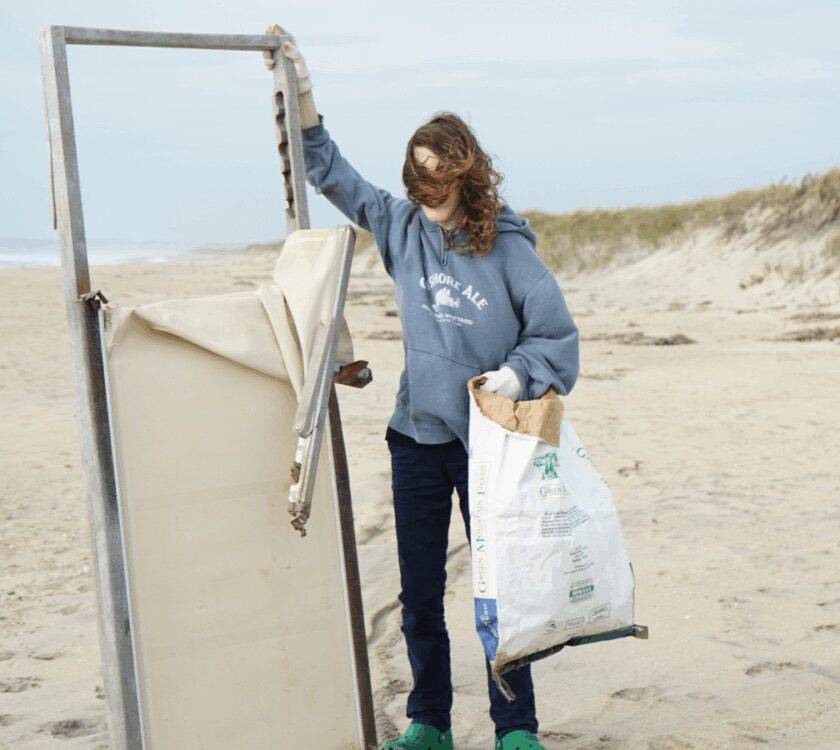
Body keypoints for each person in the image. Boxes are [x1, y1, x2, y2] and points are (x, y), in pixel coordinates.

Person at [265, 27, 579, 750]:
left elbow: (558, 342)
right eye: (417, 181)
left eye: (438, 181)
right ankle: (429, 721)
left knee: (499, 590)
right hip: (417, 438)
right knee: (420, 595)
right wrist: (303, 94)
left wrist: (517, 372)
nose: (426, 195)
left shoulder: (509, 250)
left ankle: (516, 727)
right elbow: (328, 169)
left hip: (490, 445)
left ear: (466, 174)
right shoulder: (401, 227)